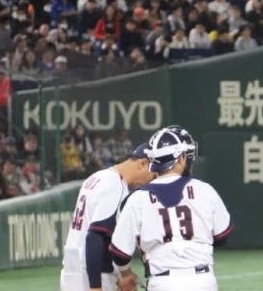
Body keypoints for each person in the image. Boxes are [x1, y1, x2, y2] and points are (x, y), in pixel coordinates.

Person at [110, 125, 233, 291]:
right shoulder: (205, 190)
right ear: (181, 159)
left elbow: (120, 253)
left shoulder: (137, 199)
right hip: (203, 280)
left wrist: (126, 273)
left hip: (162, 282)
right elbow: (222, 236)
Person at [60, 143, 155, 291]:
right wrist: (96, 287)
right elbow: (94, 237)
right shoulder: (115, 185)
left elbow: (103, 237)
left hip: (73, 269)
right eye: (153, 175)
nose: (152, 181)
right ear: (142, 163)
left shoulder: (98, 177)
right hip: (90, 275)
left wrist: (125, 272)